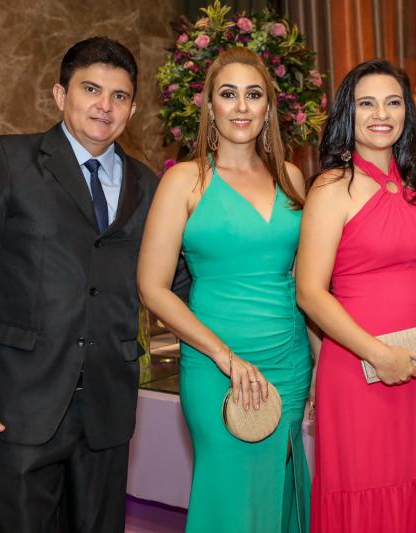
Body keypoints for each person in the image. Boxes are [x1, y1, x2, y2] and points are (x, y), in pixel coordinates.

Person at [0, 37, 190, 532]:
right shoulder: (6, 160)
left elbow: (178, 280)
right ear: (60, 94)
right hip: (15, 402)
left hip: (107, 406)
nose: (105, 106)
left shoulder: (150, 186)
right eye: (91, 89)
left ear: (132, 110)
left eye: (119, 96)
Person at [296, 60, 416, 533]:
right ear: (349, 113)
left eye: (393, 102)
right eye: (367, 103)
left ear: (407, 113)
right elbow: (310, 293)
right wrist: (378, 355)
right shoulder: (331, 188)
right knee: (366, 491)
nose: (381, 114)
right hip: (357, 367)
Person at [137, 47, 313, 533]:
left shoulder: (291, 178)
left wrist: (322, 362)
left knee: (275, 491)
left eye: (253, 95)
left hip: (287, 361)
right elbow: (152, 287)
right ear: (210, 106)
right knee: (228, 496)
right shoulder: (184, 181)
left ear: (268, 107)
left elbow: (305, 282)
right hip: (216, 365)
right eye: (228, 94)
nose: (241, 106)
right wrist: (225, 358)